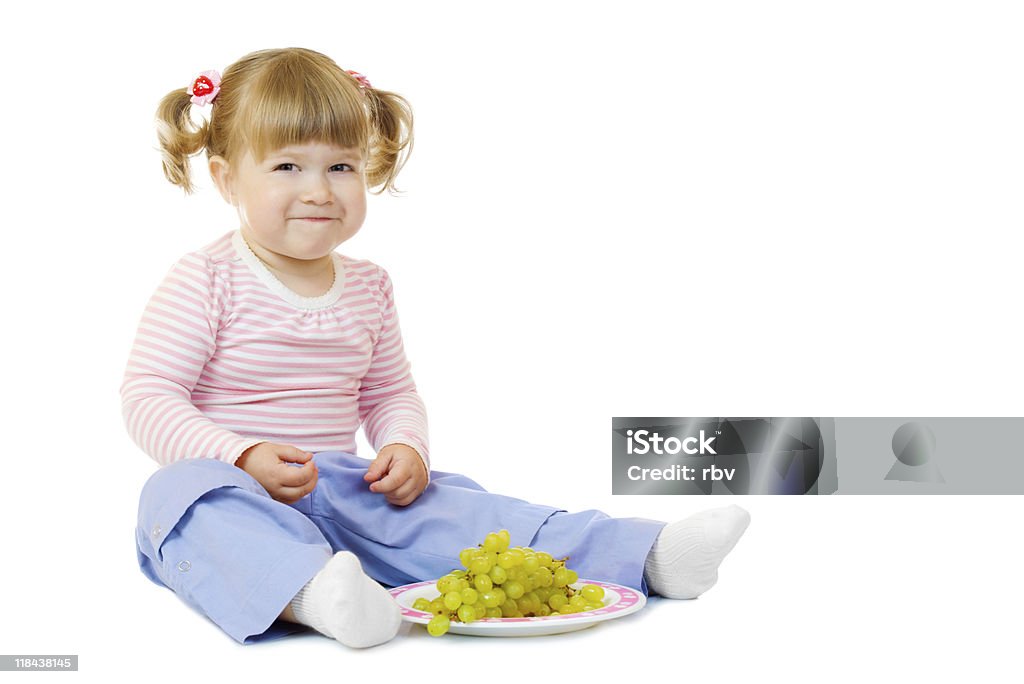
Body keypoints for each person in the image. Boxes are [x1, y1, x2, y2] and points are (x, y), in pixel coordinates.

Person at [123, 47, 751, 649]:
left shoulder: (368, 285)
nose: (318, 190)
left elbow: (390, 391)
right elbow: (149, 395)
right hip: (235, 491)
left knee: (461, 512)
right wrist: (239, 455)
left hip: (343, 487)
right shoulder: (206, 278)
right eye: (288, 166)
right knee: (179, 501)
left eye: (340, 166)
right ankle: (317, 597)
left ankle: (645, 555)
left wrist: (403, 446)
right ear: (227, 178)